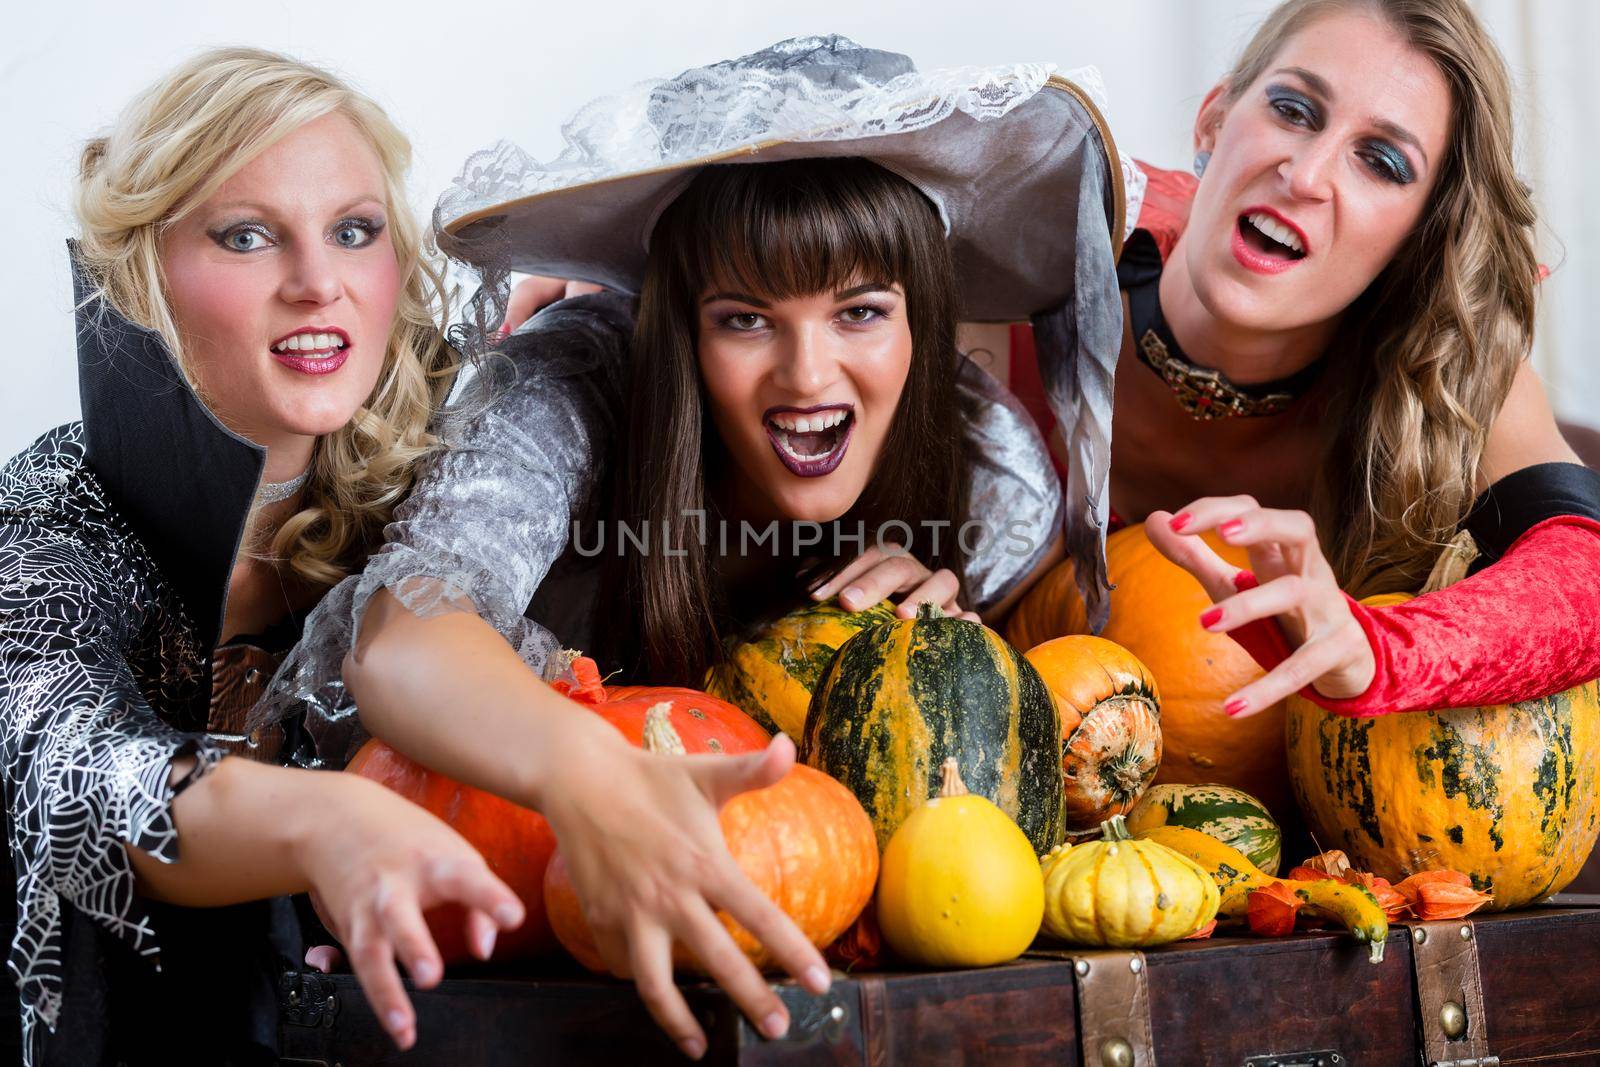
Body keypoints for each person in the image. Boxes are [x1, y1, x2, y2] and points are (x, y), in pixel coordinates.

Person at [263, 36, 1134, 1059]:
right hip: (498, 908)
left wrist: (929, 639)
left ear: (923, 321)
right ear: (677, 326)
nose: (808, 375)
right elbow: (402, 632)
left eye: (861, 311)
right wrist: (586, 770)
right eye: (744, 319)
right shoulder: (569, 389)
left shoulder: (990, 480)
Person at [0, 48, 528, 1064]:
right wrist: (329, 823)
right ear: (142, 273)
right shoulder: (48, 517)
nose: (318, 282)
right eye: (247, 236)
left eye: (353, 231)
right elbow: (79, 771)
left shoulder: (436, 517)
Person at [1004, 0, 1599, 724]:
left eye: (1381, 162)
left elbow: (1587, 570)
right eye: (1293, 109)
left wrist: (1379, 650)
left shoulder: (1449, 367)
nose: (1307, 174)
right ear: (1214, 121)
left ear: (1418, 238)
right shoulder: (1035, 242)